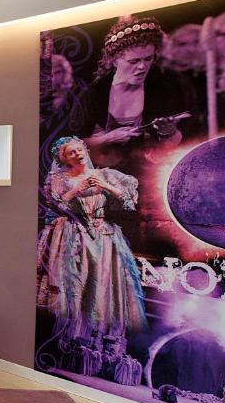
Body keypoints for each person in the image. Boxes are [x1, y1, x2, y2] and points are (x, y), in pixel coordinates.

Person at [36, 136, 148, 343]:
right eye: (71, 153)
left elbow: (127, 201)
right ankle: (70, 335)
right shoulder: (60, 179)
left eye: (79, 150)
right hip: (72, 234)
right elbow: (55, 204)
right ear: (65, 160)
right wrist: (76, 189)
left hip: (103, 235)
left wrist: (105, 185)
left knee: (102, 281)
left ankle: (96, 336)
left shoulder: (104, 174)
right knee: (75, 282)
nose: (78, 154)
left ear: (85, 150)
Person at [71, 15, 194, 166]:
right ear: (114, 60)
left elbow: (179, 147)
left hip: (151, 176)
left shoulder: (166, 88)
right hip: (101, 178)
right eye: (134, 61)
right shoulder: (94, 93)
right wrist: (108, 138)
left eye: (148, 59)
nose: (142, 66)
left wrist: (168, 133)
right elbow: (69, 147)